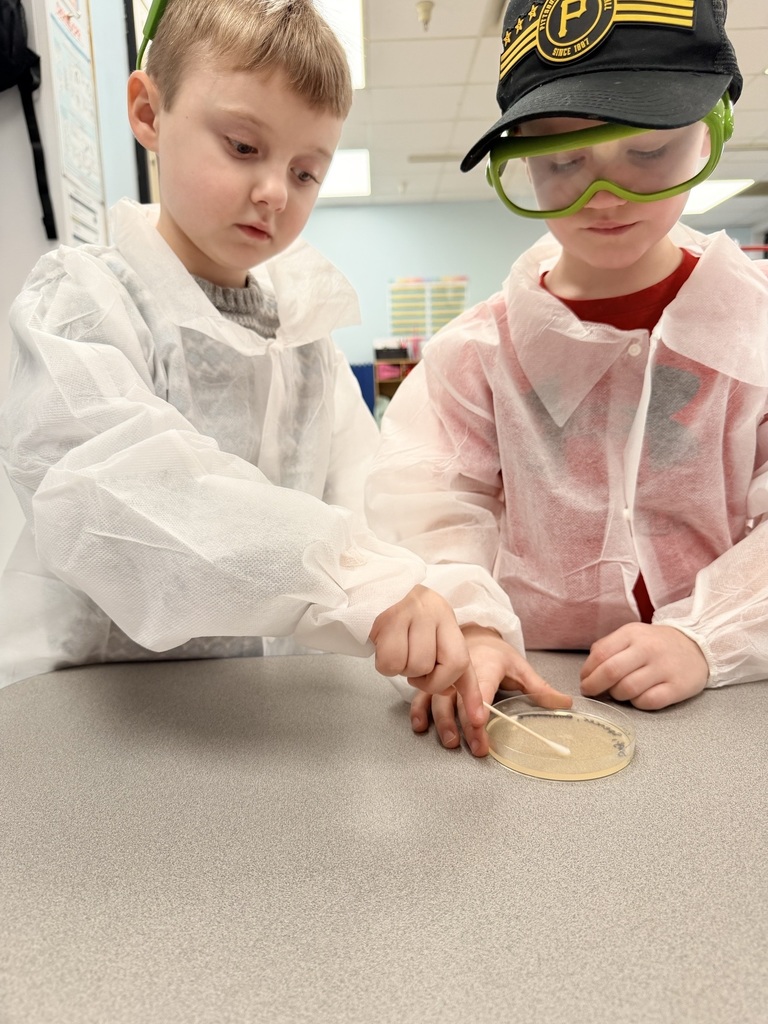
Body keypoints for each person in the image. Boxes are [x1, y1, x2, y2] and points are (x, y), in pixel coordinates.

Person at [0, 0, 571, 731]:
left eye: (306, 172)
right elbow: (128, 490)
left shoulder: (303, 341)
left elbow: (378, 502)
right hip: (103, 712)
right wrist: (362, 582)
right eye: (243, 147)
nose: (274, 191)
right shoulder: (85, 303)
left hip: (263, 714)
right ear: (148, 111)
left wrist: (464, 620)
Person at [366, 0, 768, 756]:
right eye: (560, 162)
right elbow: (432, 513)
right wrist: (473, 629)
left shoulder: (758, 334)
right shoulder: (477, 356)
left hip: (722, 706)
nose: (605, 196)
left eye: (647, 152)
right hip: (529, 692)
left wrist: (710, 638)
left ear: (711, 130)